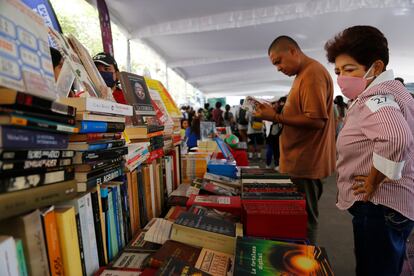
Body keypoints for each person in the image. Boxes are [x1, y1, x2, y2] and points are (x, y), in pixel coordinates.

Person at [325, 25, 414, 276]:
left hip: (379, 205)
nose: (342, 77)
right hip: (393, 206)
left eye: (349, 69)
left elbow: (395, 138)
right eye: (339, 71)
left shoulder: (376, 97)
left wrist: (375, 178)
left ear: (376, 67)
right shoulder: (395, 92)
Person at [254, 36, 336, 244]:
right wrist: (279, 110)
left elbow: (316, 120)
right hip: (300, 162)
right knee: (299, 219)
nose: (278, 68)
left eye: (278, 61)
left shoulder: (312, 74)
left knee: (304, 221)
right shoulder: (303, 75)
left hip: (306, 164)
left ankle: (306, 265)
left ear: (293, 51)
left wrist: (275, 117)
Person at [265, 96, 286, 170]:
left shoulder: (271, 111)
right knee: (275, 149)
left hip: (273, 133)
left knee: (273, 148)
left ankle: (270, 164)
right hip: (276, 133)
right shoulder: (281, 110)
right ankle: (276, 164)